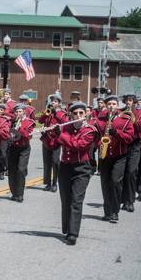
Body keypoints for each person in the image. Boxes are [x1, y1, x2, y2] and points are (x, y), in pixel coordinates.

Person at [56, 101, 98, 245]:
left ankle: (73, 233)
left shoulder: (90, 130)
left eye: (81, 113)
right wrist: (48, 135)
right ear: (71, 115)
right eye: (75, 113)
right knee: (65, 199)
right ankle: (67, 228)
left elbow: (78, 145)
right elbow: (52, 145)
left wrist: (60, 136)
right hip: (65, 167)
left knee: (76, 200)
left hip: (82, 168)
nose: (78, 116)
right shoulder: (65, 127)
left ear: (86, 114)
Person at [97, 95, 134, 223]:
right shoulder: (100, 118)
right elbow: (95, 135)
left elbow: (129, 138)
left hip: (119, 156)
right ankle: (108, 212)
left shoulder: (125, 119)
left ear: (117, 105)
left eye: (113, 103)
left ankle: (115, 211)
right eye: (109, 104)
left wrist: (115, 132)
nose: (111, 106)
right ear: (106, 106)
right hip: (105, 155)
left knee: (115, 182)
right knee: (105, 183)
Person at [38, 93, 68, 192]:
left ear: (59, 103)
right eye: (52, 101)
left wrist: (56, 113)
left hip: (56, 141)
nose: (53, 103)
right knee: (47, 163)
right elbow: (40, 121)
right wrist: (45, 114)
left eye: (55, 101)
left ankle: (55, 182)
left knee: (55, 162)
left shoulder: (62, 113)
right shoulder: (48, 112)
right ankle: (48, 183)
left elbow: (64, 123)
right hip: (46, 140)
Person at [120, 93, 141, 212]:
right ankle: (123, 200)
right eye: (126, 100)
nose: (128, 102)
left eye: (130, 100)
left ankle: (130, 201)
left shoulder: (140, 113)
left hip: (135, 145)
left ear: (134, 102)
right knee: (123, 173)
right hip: (123, 144)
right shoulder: (121, 111)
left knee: (131, 171)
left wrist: (135, 121)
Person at [8, 103, 35, 202]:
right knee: (11, 171)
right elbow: (8, 133)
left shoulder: (29, 122)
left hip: (24, 148)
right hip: (13, 147)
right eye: (16, 112)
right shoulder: (12, 121)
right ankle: (14, 193)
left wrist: (20, 128)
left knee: (20, 170)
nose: (18, 113)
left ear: (24, 111)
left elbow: (28, 136)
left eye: (20, 111)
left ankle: (20, 194)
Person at [0, 103, 11, 180]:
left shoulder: (6, 119)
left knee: (3, 155)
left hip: (3, 138)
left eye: (1, 110)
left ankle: (3, 171)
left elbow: (7, 128)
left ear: (4, 111)